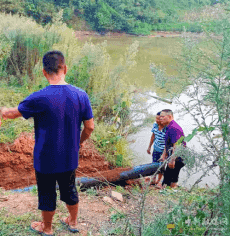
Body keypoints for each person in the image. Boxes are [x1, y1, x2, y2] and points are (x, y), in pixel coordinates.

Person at [0, 51, 94, 235]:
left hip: (45, 159)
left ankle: (47, 228)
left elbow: (12, 113)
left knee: (46, 193)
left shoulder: (38, 97)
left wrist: (2, 110)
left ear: (44, 72)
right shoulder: (81, 95)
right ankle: (73, 222)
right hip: (69, 156)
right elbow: (89, 127)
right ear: (65, 68)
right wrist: (78, 143)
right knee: (69, 189)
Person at [159, 109, 186, 188]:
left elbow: (177, 146)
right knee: (169, 176)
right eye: (160, 117)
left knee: (171, 178)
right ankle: (170, 189)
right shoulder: (168, 127)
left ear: (169, 116)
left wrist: (172, 160)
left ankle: (171, 192)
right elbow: (168, 143)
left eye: (162, 117)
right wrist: (164, 154)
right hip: (174, 156)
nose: (160, 118)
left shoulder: (174, 128)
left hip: (179, 156)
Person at [147, 111, 166, 188]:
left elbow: (169, 142)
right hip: (156, 148)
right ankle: (153, 179)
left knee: (161, 166)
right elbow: (153, 136)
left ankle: (159, 181)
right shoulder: (155, 125)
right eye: (156, 118)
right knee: (153, 163)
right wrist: (149, 147)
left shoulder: (166, 128)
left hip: (163, 151)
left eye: (158, 119)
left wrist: (164, 154)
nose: (156, 120)